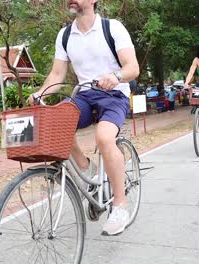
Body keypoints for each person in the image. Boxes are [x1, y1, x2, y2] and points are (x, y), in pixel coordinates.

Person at [27, 0, 139, 236]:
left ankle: (120, 205)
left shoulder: (113, 27)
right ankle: (86, 168)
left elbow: (133, 67)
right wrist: (39, 93)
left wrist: (116, 75)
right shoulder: (65, 35)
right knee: (55, 123)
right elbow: (57, 74)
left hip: (114, 94)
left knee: (104, 138)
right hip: (84, 95)